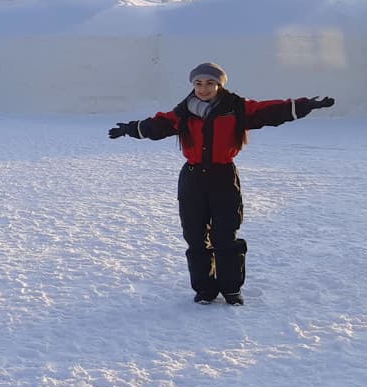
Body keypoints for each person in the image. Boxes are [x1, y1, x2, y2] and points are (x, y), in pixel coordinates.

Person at [108, 62, 335, 305]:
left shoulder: (236, 108)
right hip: (192, 178)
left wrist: (304, 105)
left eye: (209, 83)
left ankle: (230, 288)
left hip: (223, 177)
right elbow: (157, 125)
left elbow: (270, 111)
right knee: (195, 236)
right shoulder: (183, 111)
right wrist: (131, 129)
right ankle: (205, 289)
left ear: (219, 85)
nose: (203, 88)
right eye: (198, 83)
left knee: (225, 234)